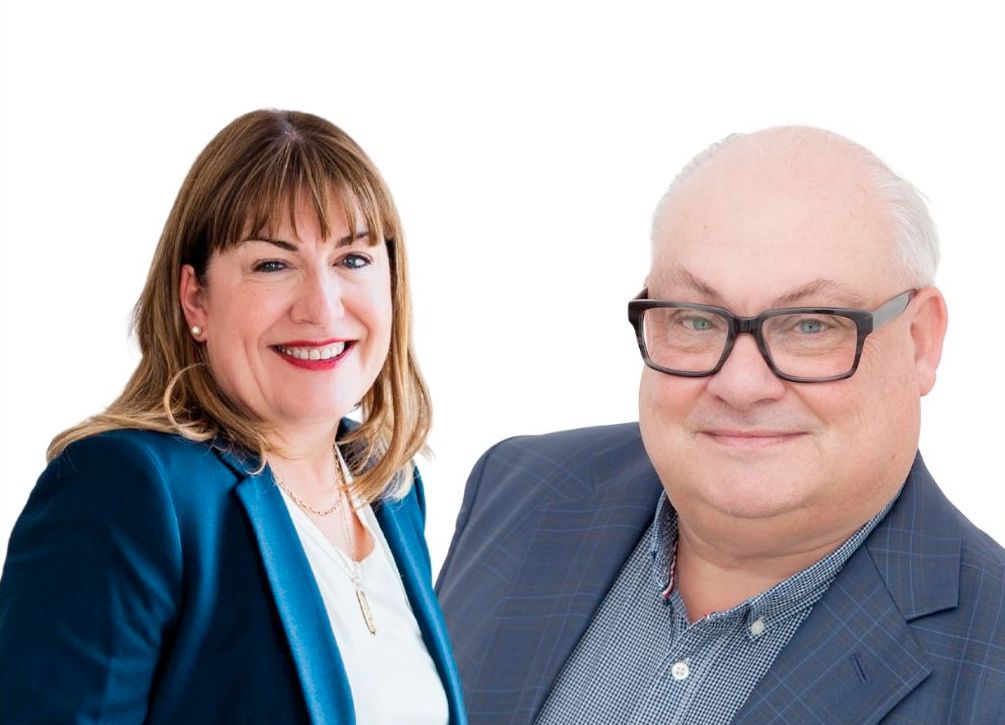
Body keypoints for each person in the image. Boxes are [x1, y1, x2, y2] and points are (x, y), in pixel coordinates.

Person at [436, 126, 1005, 724]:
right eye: (697, 320)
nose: (740, 386)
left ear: (920, 341)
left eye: (810, 325)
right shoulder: (521, 490)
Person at [0, 109, 466, 724]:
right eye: (272, 264)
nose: (322, 308)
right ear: (196, 296)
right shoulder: (126, 488)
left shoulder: (390, 486)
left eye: (352, 259)